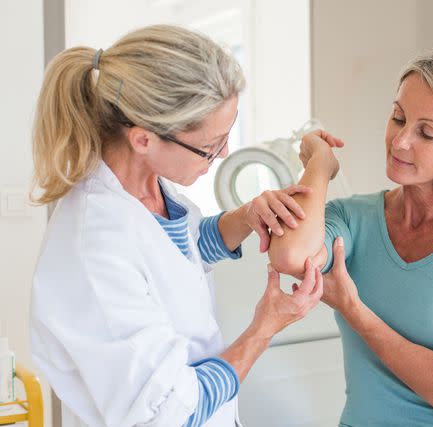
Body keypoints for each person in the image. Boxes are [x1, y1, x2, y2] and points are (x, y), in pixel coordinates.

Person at [29, 24, 323, 427]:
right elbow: (170, 413)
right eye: (210, 146)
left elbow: (177, 254)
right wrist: (264, 327)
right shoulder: (94, 248)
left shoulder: (150, 190)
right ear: (143, 140)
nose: (223, 155)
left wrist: (244, 217)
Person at [268, 48, 433, 426]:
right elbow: (290, 256)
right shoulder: (352, 218)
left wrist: (353, 309)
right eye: (398, 118)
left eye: (426, 132)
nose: (400, 141)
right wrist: (320, 165)